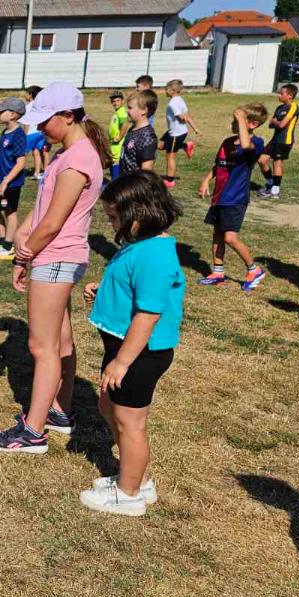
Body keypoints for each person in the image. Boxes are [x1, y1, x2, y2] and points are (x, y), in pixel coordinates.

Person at [0, 82, 110, 453]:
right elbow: (41, 210)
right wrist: (22, 240)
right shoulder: (65, 154)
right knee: (61, 341)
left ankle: (33, 431)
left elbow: (53, 222)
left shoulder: (78, 160)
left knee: (42, 347)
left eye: (45, 121)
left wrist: (25, 254)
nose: (40, 128)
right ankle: (59, 411)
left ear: (69, 116)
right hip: (54, 257)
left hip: (56, 257)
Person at [80, 171, 185, 516]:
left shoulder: (154, 254)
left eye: (113, 217)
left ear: (138, 214)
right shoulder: (141, 246)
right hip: (124, 350)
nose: (110, 224)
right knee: (108, 407)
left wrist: (122, 362)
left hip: (140, 354)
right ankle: (134, 475)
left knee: (130, 423)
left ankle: (129, 494)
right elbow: (132, 287)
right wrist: (104, 291)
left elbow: (148, 315)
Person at [198, 104, 269, 290]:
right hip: (219, 197)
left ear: (253, 124)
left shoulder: (257, 143)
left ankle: (254, 270)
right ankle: (218, 272)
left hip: (236, 198)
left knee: (230, 238)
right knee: (217, 234)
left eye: (237, 121)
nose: (233, 123)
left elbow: (246, 145)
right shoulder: (227, 142)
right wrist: (206, 180)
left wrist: (241, 118)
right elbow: (219, 165)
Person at [0, 97, 28, 261]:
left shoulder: (18, 134)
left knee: (10, 211)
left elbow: (21, 162)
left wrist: (5, 181)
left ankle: (8, 246)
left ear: (13, 115)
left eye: (2, 111)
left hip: (11, 183)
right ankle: (2, 241)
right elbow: (1, 159)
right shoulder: (4, 132)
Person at [258, 83, 299, 199]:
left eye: (282, 94)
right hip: (275, 140)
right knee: (262, 160)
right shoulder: (279, 108)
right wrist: (277, 122)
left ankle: (275, 191)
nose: (279, 95)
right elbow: (270, 124)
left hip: (285, 140)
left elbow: (282, 125)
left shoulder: (293, 107)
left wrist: (276, 122)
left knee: (277, 162)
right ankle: (270, 183)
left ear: (290, 95)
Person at [159, 79, 201, 187]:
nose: (165, 91)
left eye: (166, 89)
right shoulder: (180, 99)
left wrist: (183, 118)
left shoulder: (173, 103)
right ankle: (185, 146)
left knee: (170, 156)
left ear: (172, 90)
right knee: (160, 145)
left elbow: (182, 117)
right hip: (176, 132)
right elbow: (187, 115)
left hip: (176, 134)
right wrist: (195, 129)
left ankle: (170, 180)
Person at [118, 90, 158, 176]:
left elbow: (146, 172)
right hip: (125, 181)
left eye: (130, 108)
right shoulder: (133, 128)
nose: (126, 111)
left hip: (135, 183)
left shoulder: (147, 136)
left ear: (143, 110)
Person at [23, 85, 46, 178]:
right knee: (36, 152)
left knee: (22, 154)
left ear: (31, 95)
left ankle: (17, 172)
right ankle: (37, 173)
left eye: (26, 94)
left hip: (31, 133)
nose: (24, 96)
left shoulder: (28, 107)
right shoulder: (42, 106)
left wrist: (25, 135)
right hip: (41, 133)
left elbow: (27, 122)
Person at [106, 91, 129, 181]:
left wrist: (119, 137)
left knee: (116, 162)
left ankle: (115, 183)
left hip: (118, 144)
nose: (115, 103)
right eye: (113, 101)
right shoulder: (118, 112)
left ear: (122, 101)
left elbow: (125, 124)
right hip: (114, 143)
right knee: (113, 162)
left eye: (118, 100)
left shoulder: (122, 112)